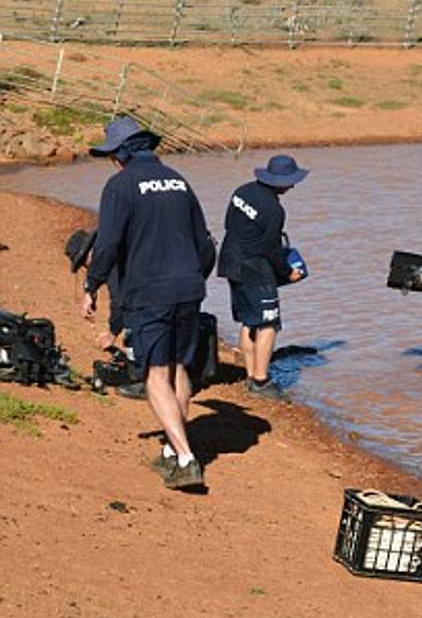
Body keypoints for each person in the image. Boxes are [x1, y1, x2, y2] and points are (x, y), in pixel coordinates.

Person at [82, 115, 215, 489]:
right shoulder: (179, 181)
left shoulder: (119, 186)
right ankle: (173, 451)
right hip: (189, 288)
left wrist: (92, 285)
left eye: (111, 154)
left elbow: (107, 244)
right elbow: (205, 244)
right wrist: (193, 278)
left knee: (155, 374)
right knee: (178, 367)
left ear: (121, 154)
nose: (111, 161)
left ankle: (186, 459)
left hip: (150, 291)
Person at [217, 154, 309, 402]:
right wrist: (288, 273)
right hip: (254, 268)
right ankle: (260, 380)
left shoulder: (242, 191)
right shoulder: (273, 209)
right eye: (291, 181)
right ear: (281, 182)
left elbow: (229, 223)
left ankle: (250, 375)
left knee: (249, 320)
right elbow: (271, 249)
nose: (293, 186)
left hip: (229, 261)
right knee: (269, 323)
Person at [65, 228, 145, 399]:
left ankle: (144, 380)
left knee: (136, 319)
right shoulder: (112, 247)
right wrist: (90, 290)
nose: (86, 268)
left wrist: (112, 333)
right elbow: (99, 272)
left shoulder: (114, 260)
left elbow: (120, 302)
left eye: (83, 263)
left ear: (90, 252)